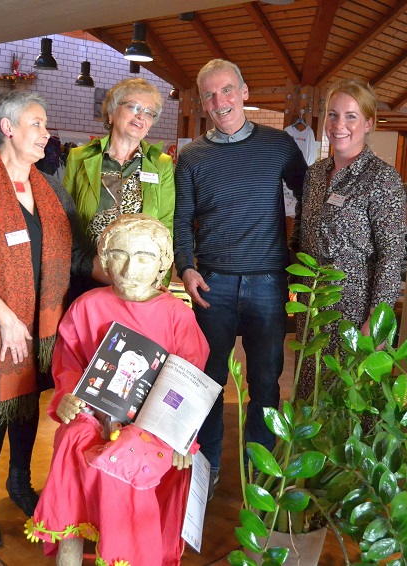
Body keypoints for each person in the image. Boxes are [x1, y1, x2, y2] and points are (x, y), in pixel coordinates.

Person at [0, 90, 95, 549]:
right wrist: (9, 320)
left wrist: (118, 271)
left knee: (26, 406)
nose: (46, 133)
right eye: (37, 123)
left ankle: (19, 483)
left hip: (40, 323)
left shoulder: (49, 185)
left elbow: (73, 253)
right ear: (7, 128)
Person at [31, 214, 209, 566]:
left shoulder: (178, 316)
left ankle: (125, 553)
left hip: (152, 425)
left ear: (163, 264)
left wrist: (181, 436)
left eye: (143, 257)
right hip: (94, 413)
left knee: (125, 458)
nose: (130, 269)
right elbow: (69, 364)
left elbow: (188, 386)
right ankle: (70, 547)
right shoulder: (87, 306)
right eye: (119, 255)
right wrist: (68, 396)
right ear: (104, 260)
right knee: (72, 441)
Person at [173, 59, 307, 497]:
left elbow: (312, 196)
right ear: (201, 102)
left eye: (227, 90)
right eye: (210, 95)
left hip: (269, 283)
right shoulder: (192, 155)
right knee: (207, 382)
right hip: (212, 285)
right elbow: (181, 219)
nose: (219, 101)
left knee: (266, 382)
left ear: (245, 92)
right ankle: (206, 466)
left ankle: (261, 471)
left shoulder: (280, 145)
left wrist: (301, 253)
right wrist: (186, 267)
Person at [297, 78, 404, 399]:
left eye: (351, 116)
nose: (339, 125)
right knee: (310, 398)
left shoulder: (383, 179)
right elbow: (303, 237)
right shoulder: (315, 174)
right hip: (313, 309)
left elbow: (391, 256)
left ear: (369, 123)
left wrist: (378, 320)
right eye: (332, 115)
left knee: (349, 408)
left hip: (356, 314)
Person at [64, 77, 174, 295]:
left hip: (139, 279)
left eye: (149, 112)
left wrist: (162, 277)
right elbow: (65, 218)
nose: (141, 116)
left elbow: (165, 224)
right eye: (133, 107)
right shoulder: (79, 157)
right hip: (87, 273)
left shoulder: (161, 164)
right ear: (112, 113)